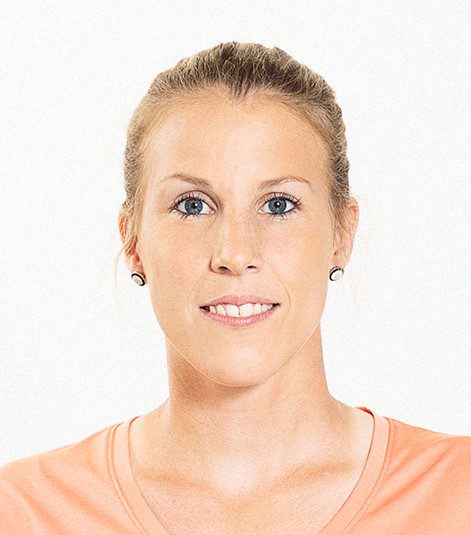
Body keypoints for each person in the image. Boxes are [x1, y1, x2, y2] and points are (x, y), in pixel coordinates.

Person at [0, 41, 469, 535]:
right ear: (133, 240)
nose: (235, 253)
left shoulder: (460, 493)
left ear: (341, 234)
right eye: (193, 205)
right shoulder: (21, 511)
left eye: (279, 205)